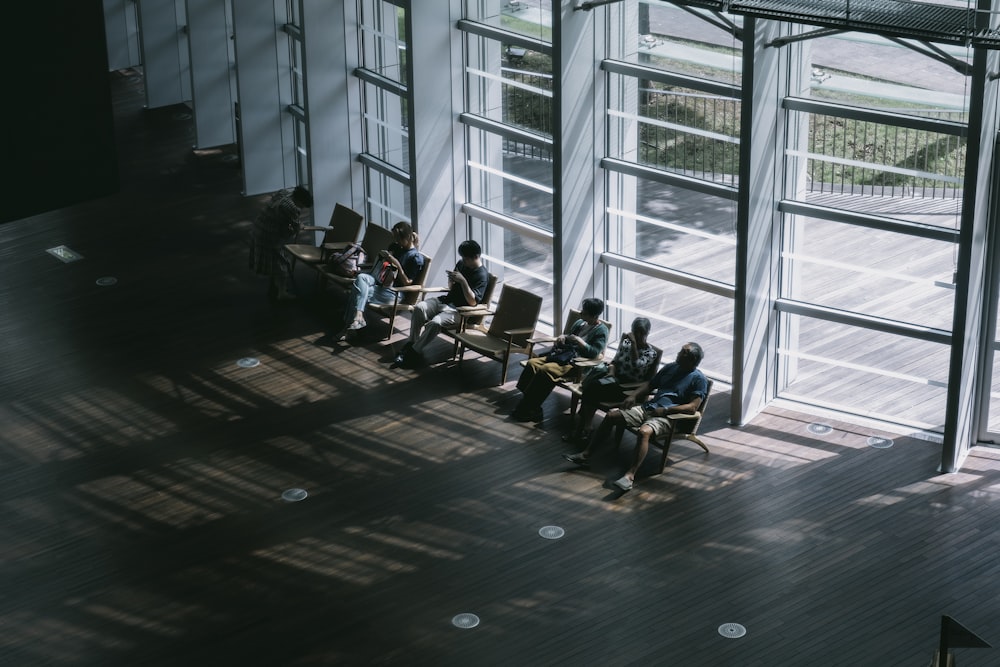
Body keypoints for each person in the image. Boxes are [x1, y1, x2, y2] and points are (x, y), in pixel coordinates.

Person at [563, 342, 707, 492]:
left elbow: (692, 407)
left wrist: (665, 411)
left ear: (691, 359)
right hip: (650, 408)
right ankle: (586, 454)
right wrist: (633, 395)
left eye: (683, 352)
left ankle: (630, 476)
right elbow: (650, 385)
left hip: (669, 417)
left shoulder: (698, 380)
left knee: (644, 432)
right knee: (612, 416)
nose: (678, 353)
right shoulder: (671, 367)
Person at [392, 239, 489, 368]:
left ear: (475, 257)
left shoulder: (482, 275)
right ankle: (412, 343)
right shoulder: (461, 264)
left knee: (435, 323)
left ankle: (413, 352)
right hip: (446, 301)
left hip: (460, 310)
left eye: (465, 258)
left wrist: (463, 282)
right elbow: (451, 287)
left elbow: (473, 302)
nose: (463, 261)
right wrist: (452, 280)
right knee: (419, 308)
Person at [512, 298, 609, 423]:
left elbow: (594, 352)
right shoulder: (580, 323)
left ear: (594, 315)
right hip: (563, 355)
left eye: (584, 313)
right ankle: (530, 403)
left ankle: (530, 407)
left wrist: (580, 342)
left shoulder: (601, 331)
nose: (581, 314)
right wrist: (563, 337)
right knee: (532, 363)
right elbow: (568, 336)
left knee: (546, 370)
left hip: (577, 363)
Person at [563, 317, 659, 442]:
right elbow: (614, 362)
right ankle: (585, 427)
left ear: (647, 333)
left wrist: (634, 345)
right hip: (614, 380)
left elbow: (637, 364)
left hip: (629, 387)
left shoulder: (650, 353)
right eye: (636, 332)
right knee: (591, 387)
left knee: (592, 389)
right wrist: (612, 373)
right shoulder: (626, 344)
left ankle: (583, 428)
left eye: (642, 333)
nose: (639, 335)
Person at [341, 221, 424, 334]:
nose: (396, 241)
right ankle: (358, 316)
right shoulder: (396, 247)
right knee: (361, 278)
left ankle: (348, 329)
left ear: (408, 237)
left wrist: (397, 265)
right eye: (394, 238)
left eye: (398, 238)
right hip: (380, 281)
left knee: (358, 288)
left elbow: (408, 283)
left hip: (394, 292)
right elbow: (385, 266)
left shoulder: (415, 258)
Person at [248, 185, 314, 301]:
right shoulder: (291, 207)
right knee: (282, 264)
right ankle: (282, 294)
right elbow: (293, 227)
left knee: (276, 262)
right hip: (268, 235)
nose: (301, 209)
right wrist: (299, 227)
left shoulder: (283, 193)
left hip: (259, 227)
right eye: (302, 206)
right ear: (299, 200)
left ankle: (277, 288)